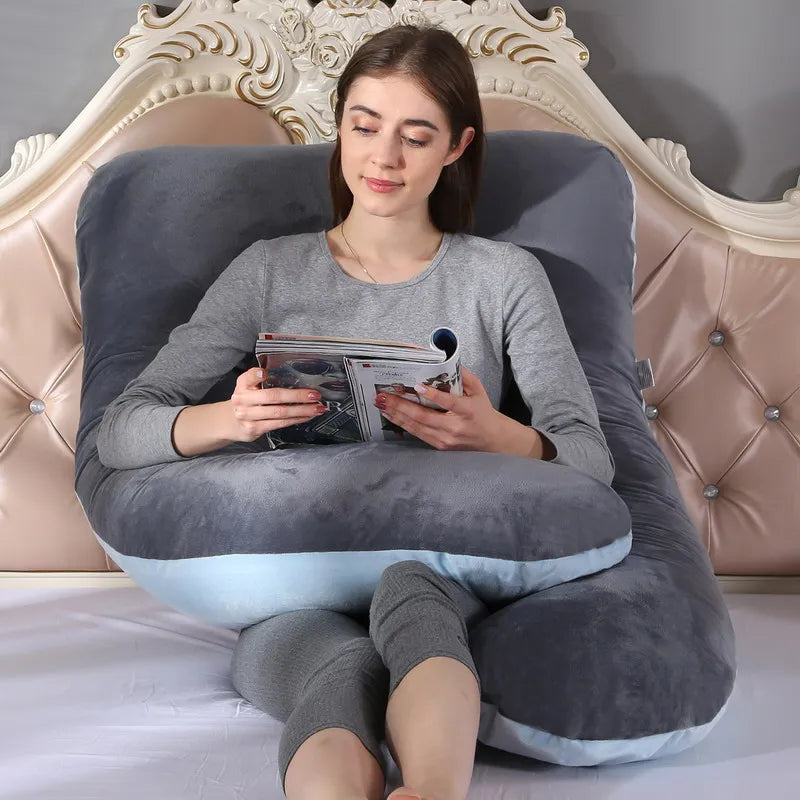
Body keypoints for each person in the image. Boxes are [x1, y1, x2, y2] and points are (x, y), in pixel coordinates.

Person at [95, 22, 615, 800]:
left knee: (418, 603)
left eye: (416, 135)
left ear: (456, 147)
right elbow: (122, 429)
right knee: (330, 668)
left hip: (434, 562)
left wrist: (498, 436)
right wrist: (228, 421)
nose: (384, 158)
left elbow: (592, 459)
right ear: (338, 127)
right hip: (293, 575)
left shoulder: (503, 278)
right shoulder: (268, 270)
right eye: (365, 127)